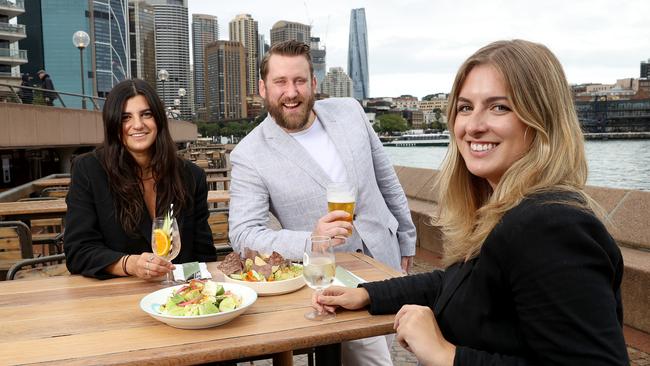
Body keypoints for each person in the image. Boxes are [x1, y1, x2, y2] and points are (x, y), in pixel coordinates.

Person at [314, 39, 629, 365]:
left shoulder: (548, 226)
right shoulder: (504, 210)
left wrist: (446, 355)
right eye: (465, 107)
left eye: (499, 107)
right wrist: (368, 294)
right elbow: (458, 284)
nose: (474, 126)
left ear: (542, 120)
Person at [228, 40, 417, 365]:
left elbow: (386, 179)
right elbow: (244, 234)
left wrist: (407, 240)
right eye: (280, 82)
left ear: (314, 83)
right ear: (263, 87)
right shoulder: (249, 154)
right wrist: (311, 239)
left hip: (387, 257)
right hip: (332, 277)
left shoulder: (351, 111)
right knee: (373, 359)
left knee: (396, 342)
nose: (291, 92)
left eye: (300, 81)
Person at [64, 79, 217, 280]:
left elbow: (204, 255)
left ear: (159, 119)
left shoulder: (191, 176)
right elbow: (78, 251)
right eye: (125, 117)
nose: (137, 125)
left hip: (180, 298)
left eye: (146, 114)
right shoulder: (89, 170)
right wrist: (130, 264)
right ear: (113, 124)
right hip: (117, 295)